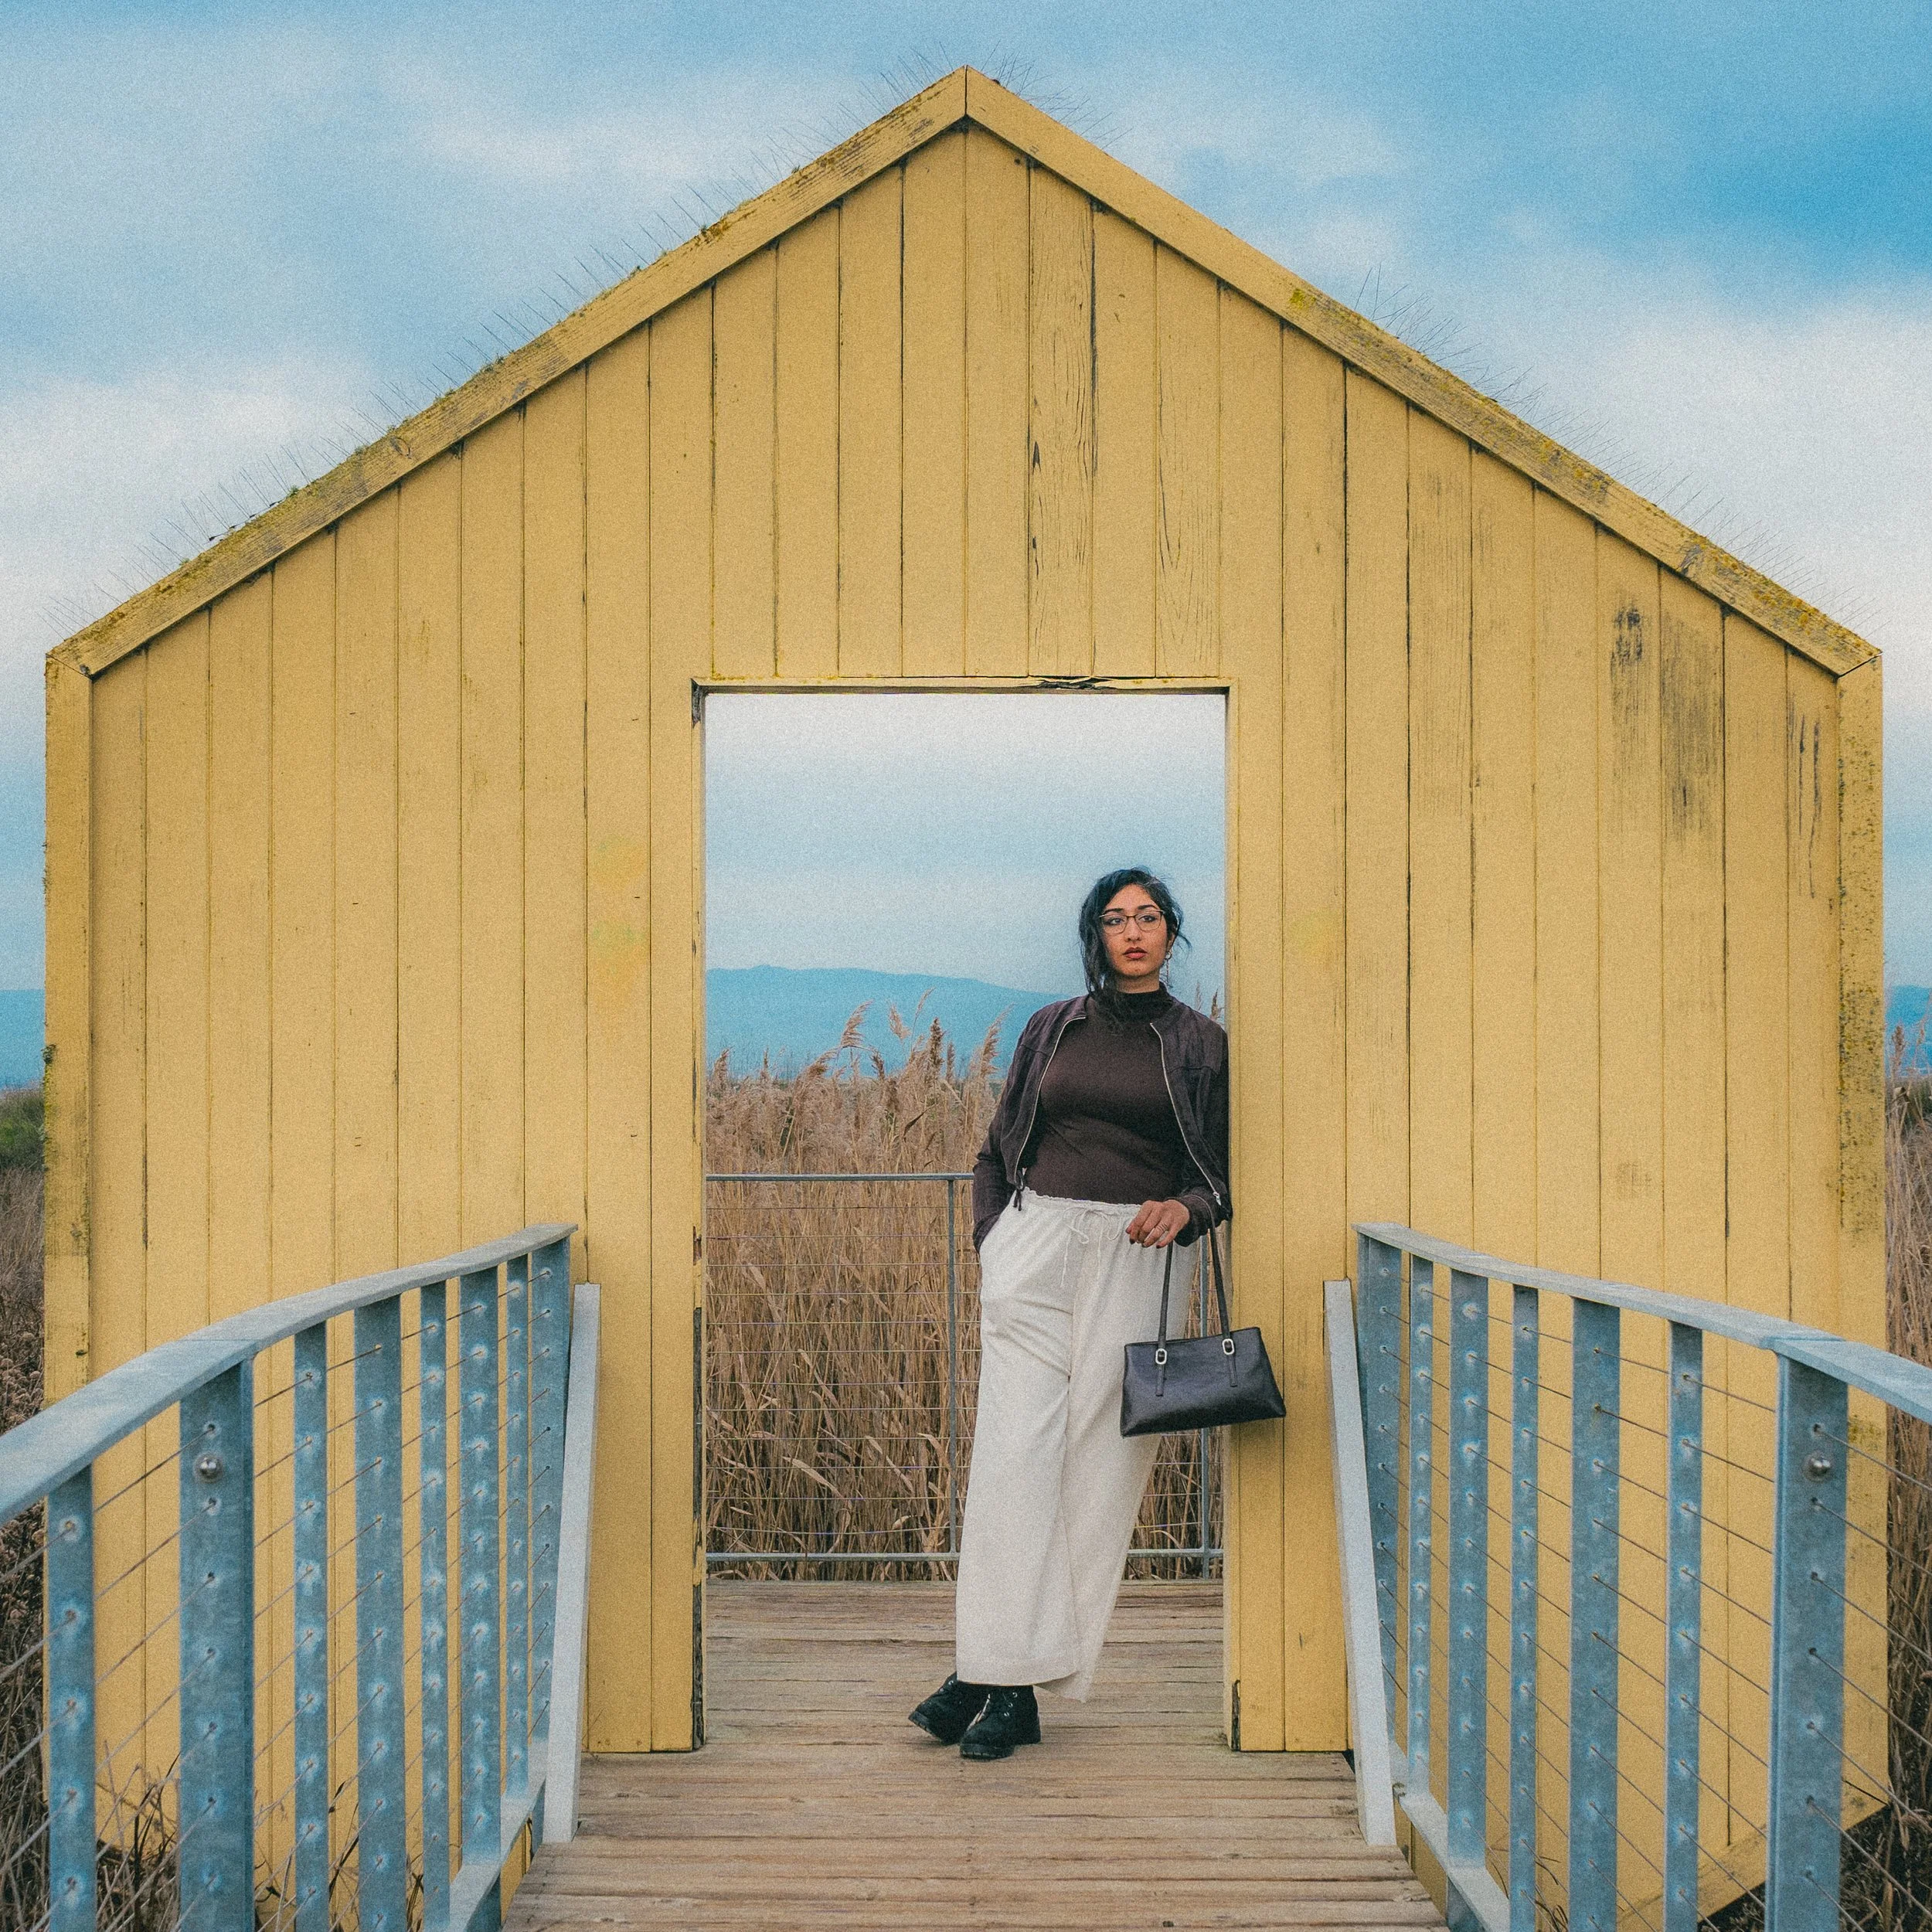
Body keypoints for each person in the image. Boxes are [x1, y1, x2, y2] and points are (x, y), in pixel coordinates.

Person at [908, 867, 1230, 1760]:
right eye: (1117, 919)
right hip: (1035, 1245)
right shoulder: (1054, 1026)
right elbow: (997, 1141)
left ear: (1171, 933)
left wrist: (1190, 1210)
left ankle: (998, 1683)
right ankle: (995, 1672)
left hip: (1133, 1259)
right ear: (1095, 934)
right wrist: (994, 1241)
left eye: (1150, 917)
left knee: (1094, 1472)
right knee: (1012, 1461)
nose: (1134, 931)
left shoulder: (1201, 1044)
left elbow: (1220, 1172)